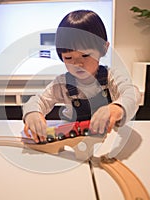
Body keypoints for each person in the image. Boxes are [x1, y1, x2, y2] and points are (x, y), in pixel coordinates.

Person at [23, 10, 141, 143]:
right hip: (70, 139)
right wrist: (32, 113)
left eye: (85, 55)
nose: (77, 64)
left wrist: (117, 108)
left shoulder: (110, 77)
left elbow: (132, 93)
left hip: (105, 139)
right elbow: (38, 100)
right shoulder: (62, 83)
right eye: (68, 57)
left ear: (104, 48)